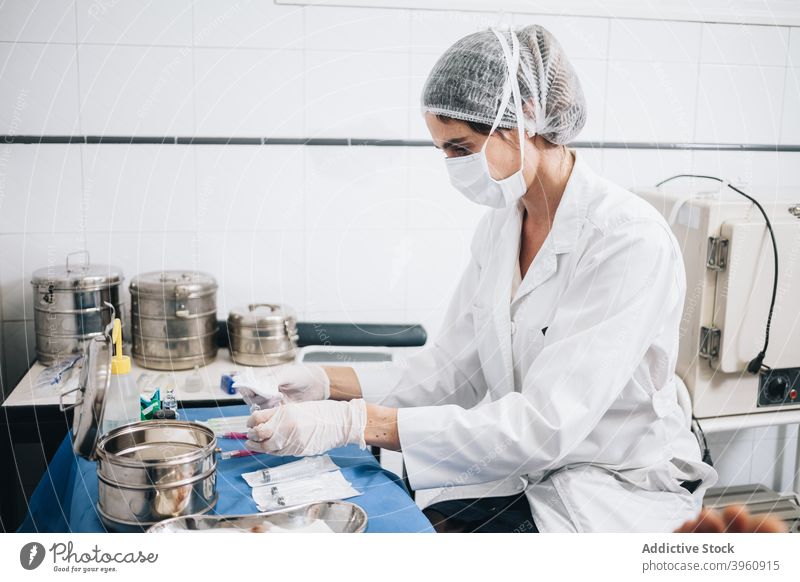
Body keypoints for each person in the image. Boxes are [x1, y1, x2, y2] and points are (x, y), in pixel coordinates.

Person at [240, 24, 718, 533]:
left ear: (525, 118)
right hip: (526, 475)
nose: (451, 165)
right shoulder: (502, 225)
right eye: (442, 149)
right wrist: (322, 386)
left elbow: (545, 424)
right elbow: (451, 371)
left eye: (461, 147)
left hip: (614, 490)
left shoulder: (626, 240)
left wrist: (355, 424)